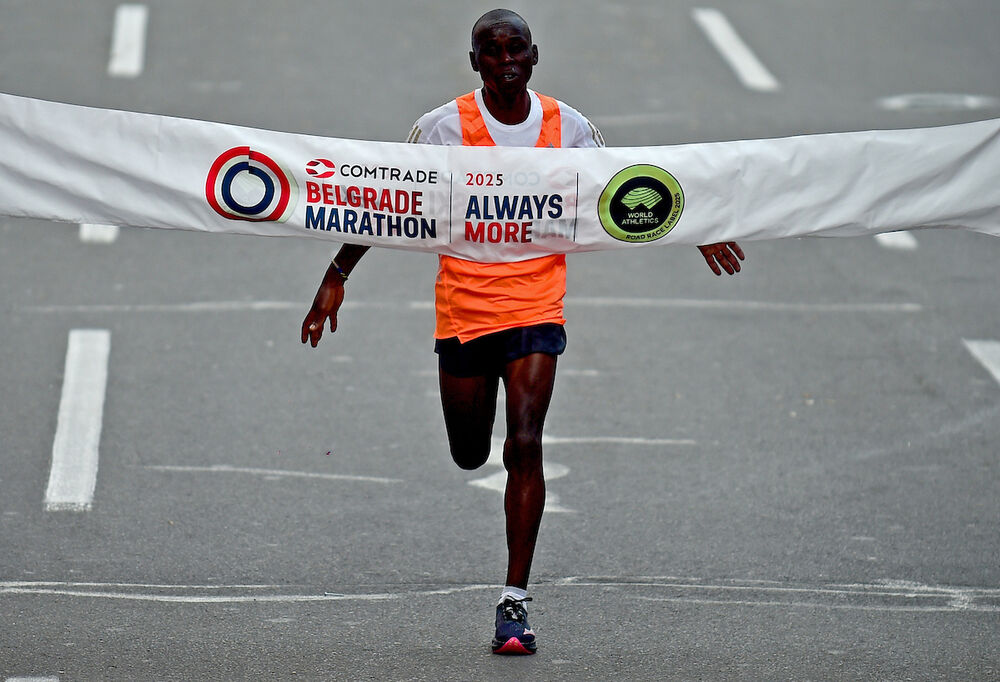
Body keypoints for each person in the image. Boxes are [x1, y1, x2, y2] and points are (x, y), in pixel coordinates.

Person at [301, 8, 745, 655]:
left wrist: (696, 226)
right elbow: (388, 200)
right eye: (492, 51)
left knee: (526, 442)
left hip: (537, 306)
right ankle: (493, 505)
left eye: (517, 50)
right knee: (469, 452)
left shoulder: (567, 128)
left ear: (534, 58)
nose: (506, 61)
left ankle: (515, 604)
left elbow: (623, 189)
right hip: (465, 310)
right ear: (475, 61)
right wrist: (338, 270)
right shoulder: (442, 129)